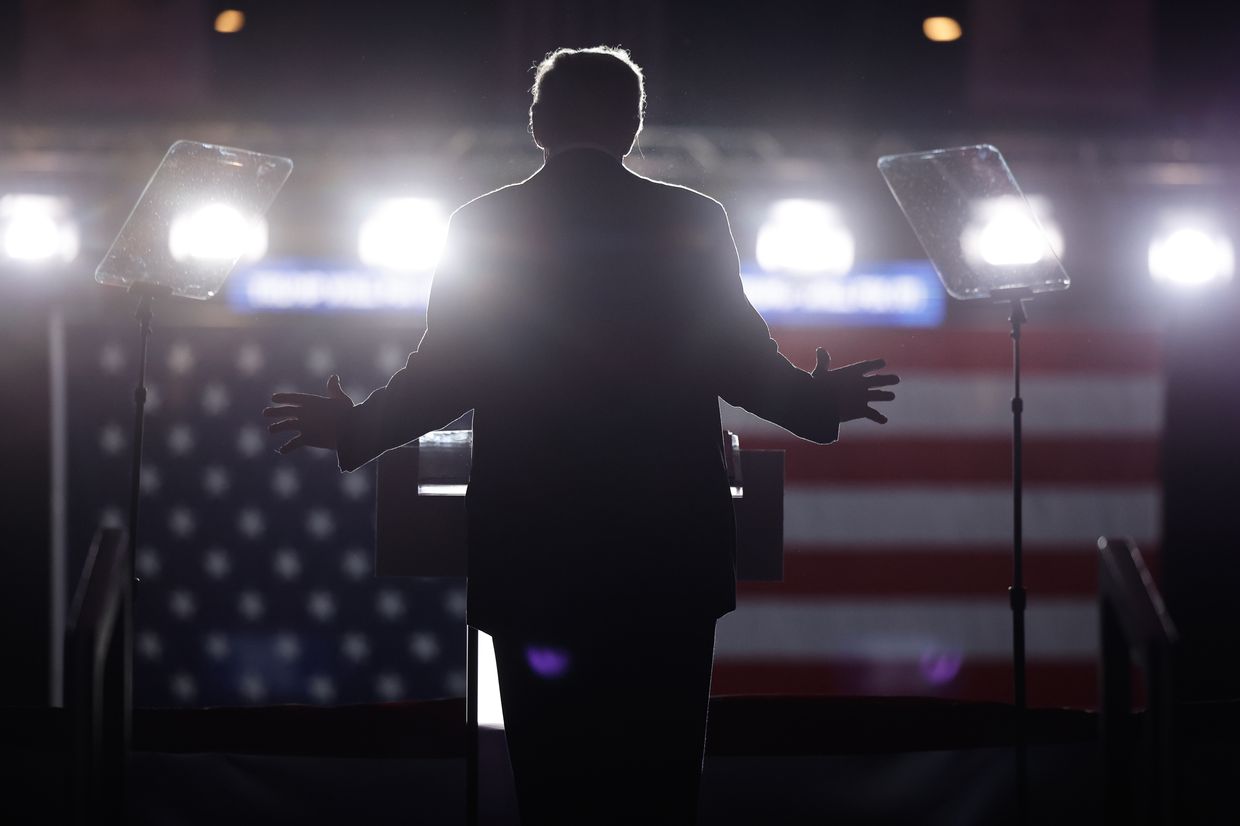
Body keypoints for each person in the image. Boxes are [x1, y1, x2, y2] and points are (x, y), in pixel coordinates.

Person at [264, 46, 897, 825]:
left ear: (536, 124)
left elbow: (446, 374)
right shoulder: (691, 219)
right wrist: (817, 405)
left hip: (536, 558)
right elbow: (737, 359)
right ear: (634, 124)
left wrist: (357, 426)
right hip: (668, 556)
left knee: (553, 783)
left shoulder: (484, 223)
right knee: (661, 784)